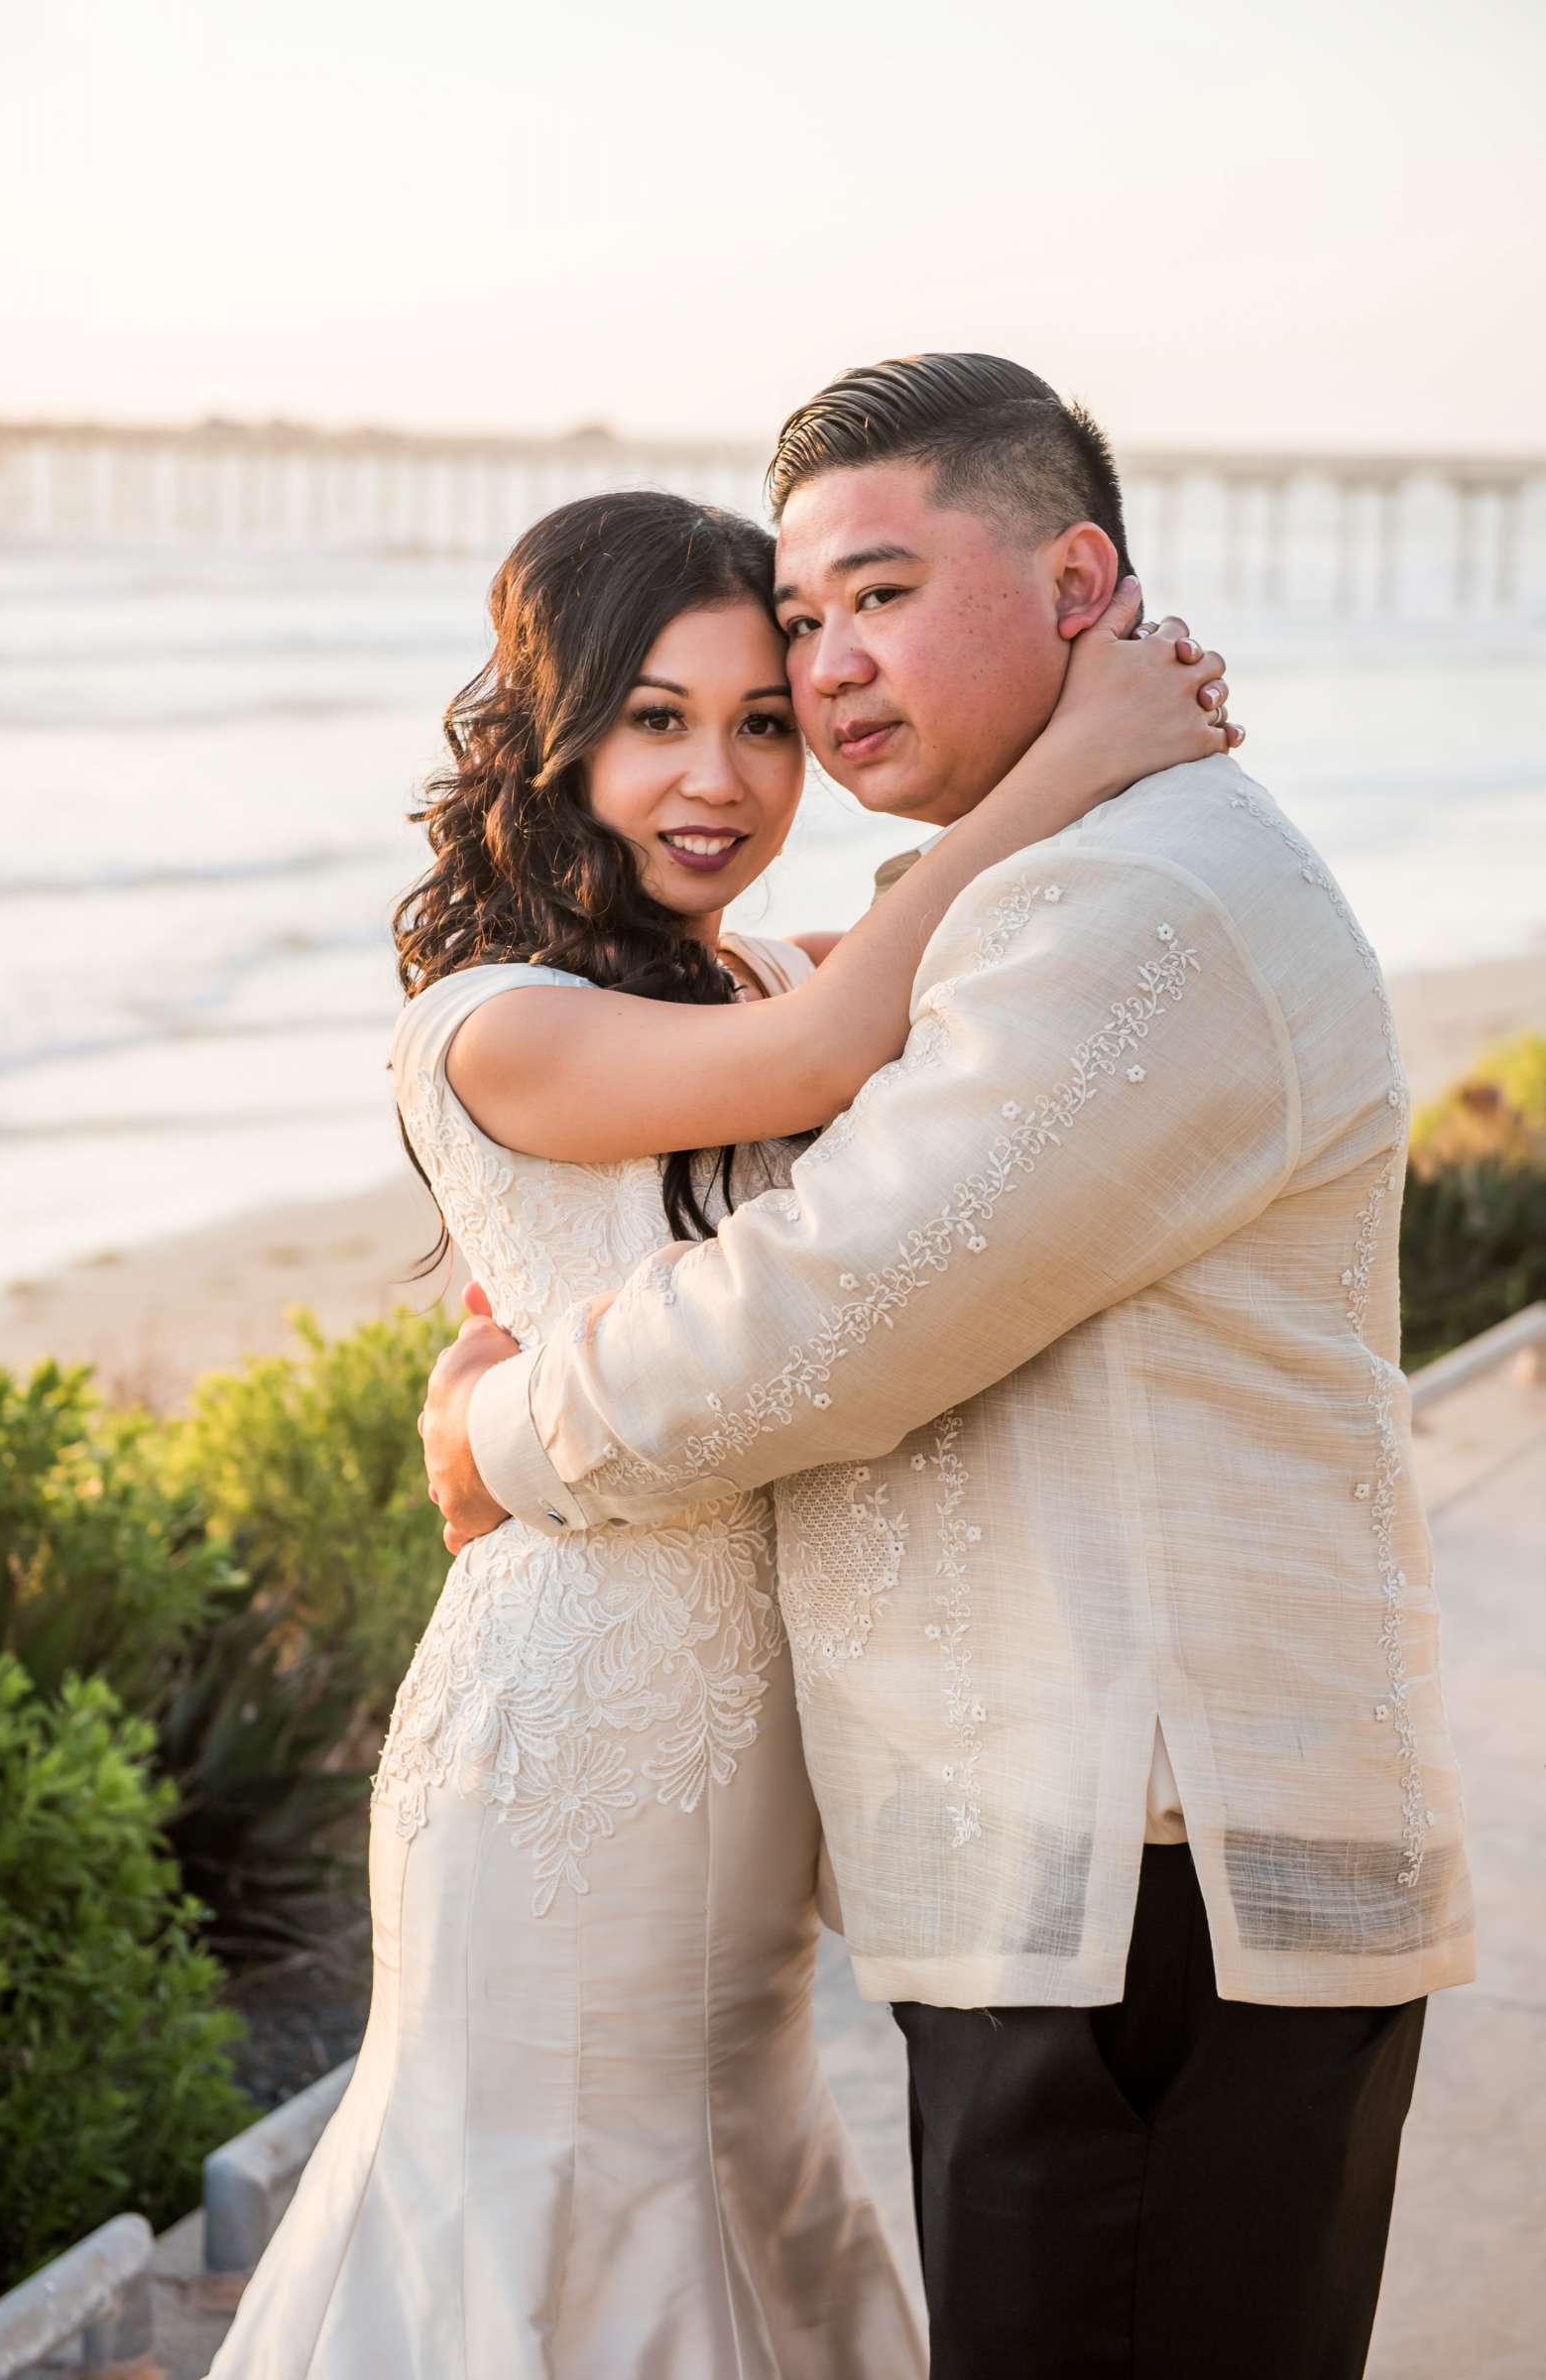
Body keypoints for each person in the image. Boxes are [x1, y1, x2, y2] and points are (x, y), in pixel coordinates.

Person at [422, 355, 1477, 2380]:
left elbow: (827, 1311)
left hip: (1160, 1893)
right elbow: (846, 1045)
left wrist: (501, 1421)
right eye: (802, 620)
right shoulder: (1063, 881)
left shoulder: (1139, 905)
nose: (827, 670)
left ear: (1080, 580)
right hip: (1105, 1867)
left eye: (882, 596)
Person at [206, 482, 1229, 2379]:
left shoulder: (756, 976)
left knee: (735, 2167)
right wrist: (1087, 744)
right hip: (566, 1725)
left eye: (765, 721)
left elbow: (917, 1040)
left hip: (747, 1735)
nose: (725, 776)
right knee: (568, 2176)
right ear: (551, 730)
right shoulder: (491, 1024)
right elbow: (831, 1059)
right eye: (659, 718)